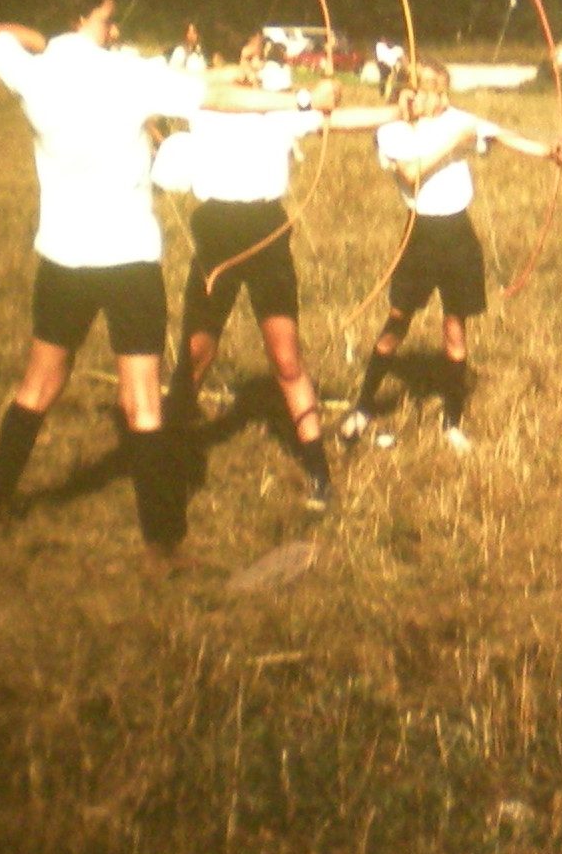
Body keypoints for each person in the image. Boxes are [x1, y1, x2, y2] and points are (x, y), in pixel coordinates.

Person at [0, 0, 338, 571]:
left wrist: (50, 42)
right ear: (83, 17)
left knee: (38, 387)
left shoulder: (29, 71)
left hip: (63, 260)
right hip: (128, 262)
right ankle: (161, 545)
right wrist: (302, 95)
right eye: (109, 18)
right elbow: (218, 96)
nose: (117, 30)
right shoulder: (129, 75)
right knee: (142, 401)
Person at [157, 30, 398, 512]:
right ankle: (165, 463)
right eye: (245, 58)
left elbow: (341, 120)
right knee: (196, 357)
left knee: (287, 359)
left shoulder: (277, 100)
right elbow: (163, 90)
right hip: (217, 233)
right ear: (219, 60)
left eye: (259, 56)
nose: (254, 66)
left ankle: (318, 473)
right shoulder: (201, 99)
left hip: (268, 232)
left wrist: (400, 111)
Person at [340, 58, 562, 452]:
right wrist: (454, 139)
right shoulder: (392, 130)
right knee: (398, 320)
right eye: (433, 90)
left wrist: (547, 151)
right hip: (420, 233)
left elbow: (500, 136)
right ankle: (364, 406)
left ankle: (451, 423)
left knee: (455, 328)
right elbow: (410, 175)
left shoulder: (456, 119)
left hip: (458, 235)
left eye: (445, 90)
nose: (442, 98)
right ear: (410, 90)